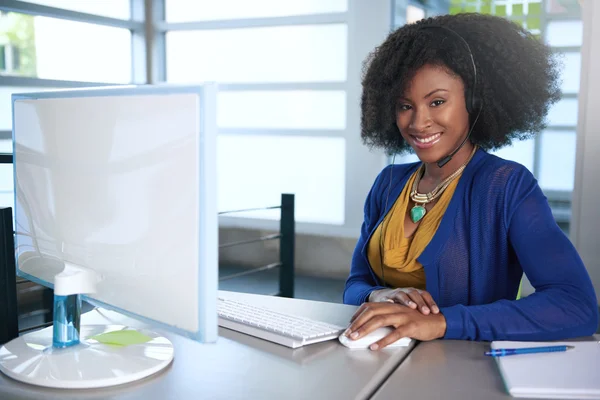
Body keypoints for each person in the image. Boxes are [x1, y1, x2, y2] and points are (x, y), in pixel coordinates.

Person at [342, 13, 598, 350]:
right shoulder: (389, 183)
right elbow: (354, 284)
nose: (419, 123)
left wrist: (440, 322)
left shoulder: (506, 186)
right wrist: (380, 293)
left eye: (437, 102)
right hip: (376, 360)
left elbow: (575, 305)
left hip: (462, 370)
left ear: (476, 101)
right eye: (406, 106)